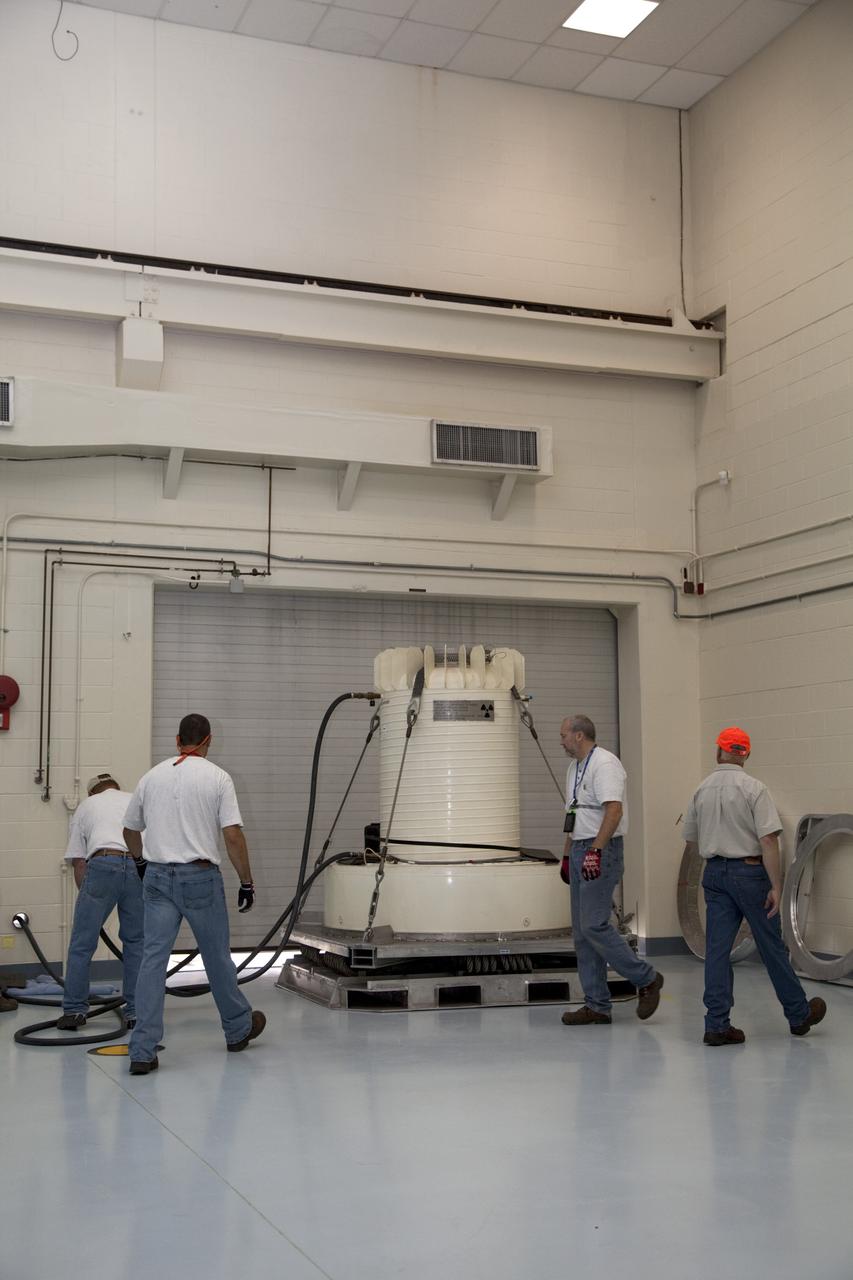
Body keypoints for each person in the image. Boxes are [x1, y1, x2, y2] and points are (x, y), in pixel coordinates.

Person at [122, 713, 265, 1075]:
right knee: (216, 957)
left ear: (177, 740)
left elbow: (129, 829)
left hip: (156, 877)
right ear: (208, 740)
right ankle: (237, 1029)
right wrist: (246, 881)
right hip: (200, 877)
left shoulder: (151, 777)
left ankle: (142, 1049)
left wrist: (141, 863)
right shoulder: (217, 777)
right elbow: (232, 835)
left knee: (153, 960)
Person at [684, 726, 826, 1046]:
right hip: (748, 874)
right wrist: (775, 886)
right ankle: (798, 1014)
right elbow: (767, 839)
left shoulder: (701, 789)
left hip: (714, 874)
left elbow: (692, 839)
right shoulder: (755, 788)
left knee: (717, 951)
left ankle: (717, 1024)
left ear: (718, 751)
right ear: (746, 754)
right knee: (770, 946)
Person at [558, 715, 663, 1026]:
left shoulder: (605, 765)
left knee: (593, 925)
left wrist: (595, 851)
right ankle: (597, 1005)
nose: (561, 740)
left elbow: (613, 811)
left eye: (564, 735)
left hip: (600, 850)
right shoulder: (574, 768)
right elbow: (573, 814)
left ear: (579, 735)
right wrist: (567, 855)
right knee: (581, 932)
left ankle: (646, 978)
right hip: (580, 848)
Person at [58, 772, 144, 1031]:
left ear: (92, 792)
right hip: (137, 866)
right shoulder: (133, 800)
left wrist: (87, 899)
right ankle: (136, 1012)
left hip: (103, 863)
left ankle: (74, 1011)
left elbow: (79, 860)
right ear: (116, 787)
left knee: (82, 943)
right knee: (136, 943)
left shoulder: (87, 805)